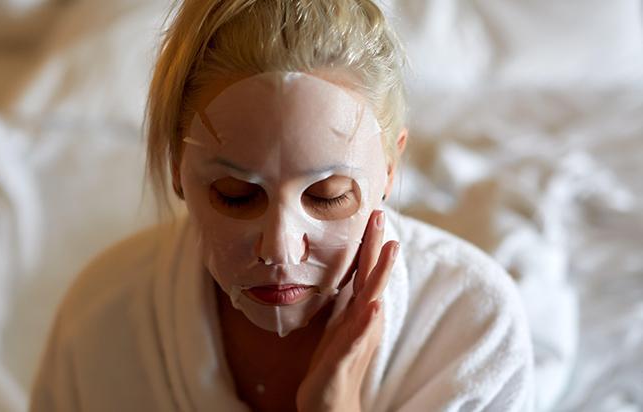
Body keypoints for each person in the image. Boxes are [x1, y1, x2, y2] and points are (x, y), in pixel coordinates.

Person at [30, 1, 534, 411]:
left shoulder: (472, 328)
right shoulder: (100, 322)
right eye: (236, 194)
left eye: (327, 195)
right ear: (177, 170)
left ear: (389, 168)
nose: (279, 249)